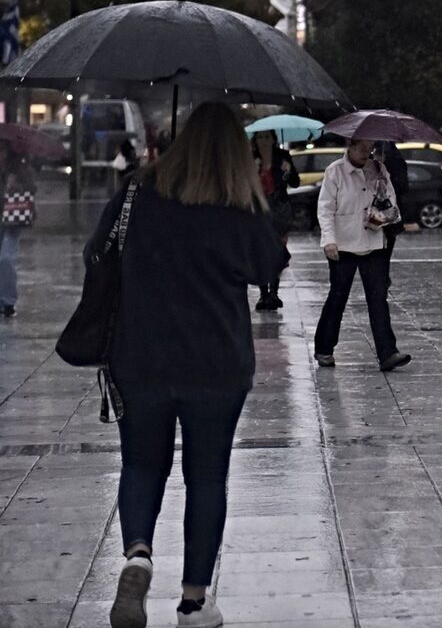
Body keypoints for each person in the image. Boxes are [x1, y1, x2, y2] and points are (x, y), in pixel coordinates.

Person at [97, 102, 288, 628]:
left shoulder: (137, 192)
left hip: (141, 356)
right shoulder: (238, 206)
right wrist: (263, 197)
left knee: (140, 464)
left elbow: (99, 252)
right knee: (207, 478)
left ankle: (138, 554)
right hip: (216, 363)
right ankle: (193, 602)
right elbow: (269, 265)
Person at [314, 139, 412, 371]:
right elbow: (325, 208)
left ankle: (388, 352)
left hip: (374, 241)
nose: (364, 152)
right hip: (343, 245)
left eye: (368, 147)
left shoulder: (378, 168)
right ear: (349, 146)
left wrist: (383, 214)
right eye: (359, 147)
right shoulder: (335, 171)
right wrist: (329, 240)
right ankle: (324, 348)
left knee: (378, 298)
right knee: (338, 296)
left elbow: (391, 198)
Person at [250, 129, 299, 311]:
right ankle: (264, 294)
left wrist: (288, 172)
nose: (263, 140)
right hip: (259, 211)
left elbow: (295, 183)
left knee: (277, 251)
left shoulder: (283, 156)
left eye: (267, 137)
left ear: (273, 139)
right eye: (260, 137)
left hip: (279, 211)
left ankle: (274, 292)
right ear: (255, 140)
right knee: (261, 252)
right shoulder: (251, 158)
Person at [0, 141, 36, 318]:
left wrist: (16, 185)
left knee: (6, 258)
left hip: (12, 219)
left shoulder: (19, 169)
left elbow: (32, 189)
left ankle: (8, 301)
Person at [375, 141, 409, 287]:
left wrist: (387, 178)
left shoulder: (396, 162)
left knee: (385, 249)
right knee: (380, 250)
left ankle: (381, 278)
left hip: (389, 213)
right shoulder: (372, 163)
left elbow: (402, 187)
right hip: (376, 214)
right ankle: (380, 277)